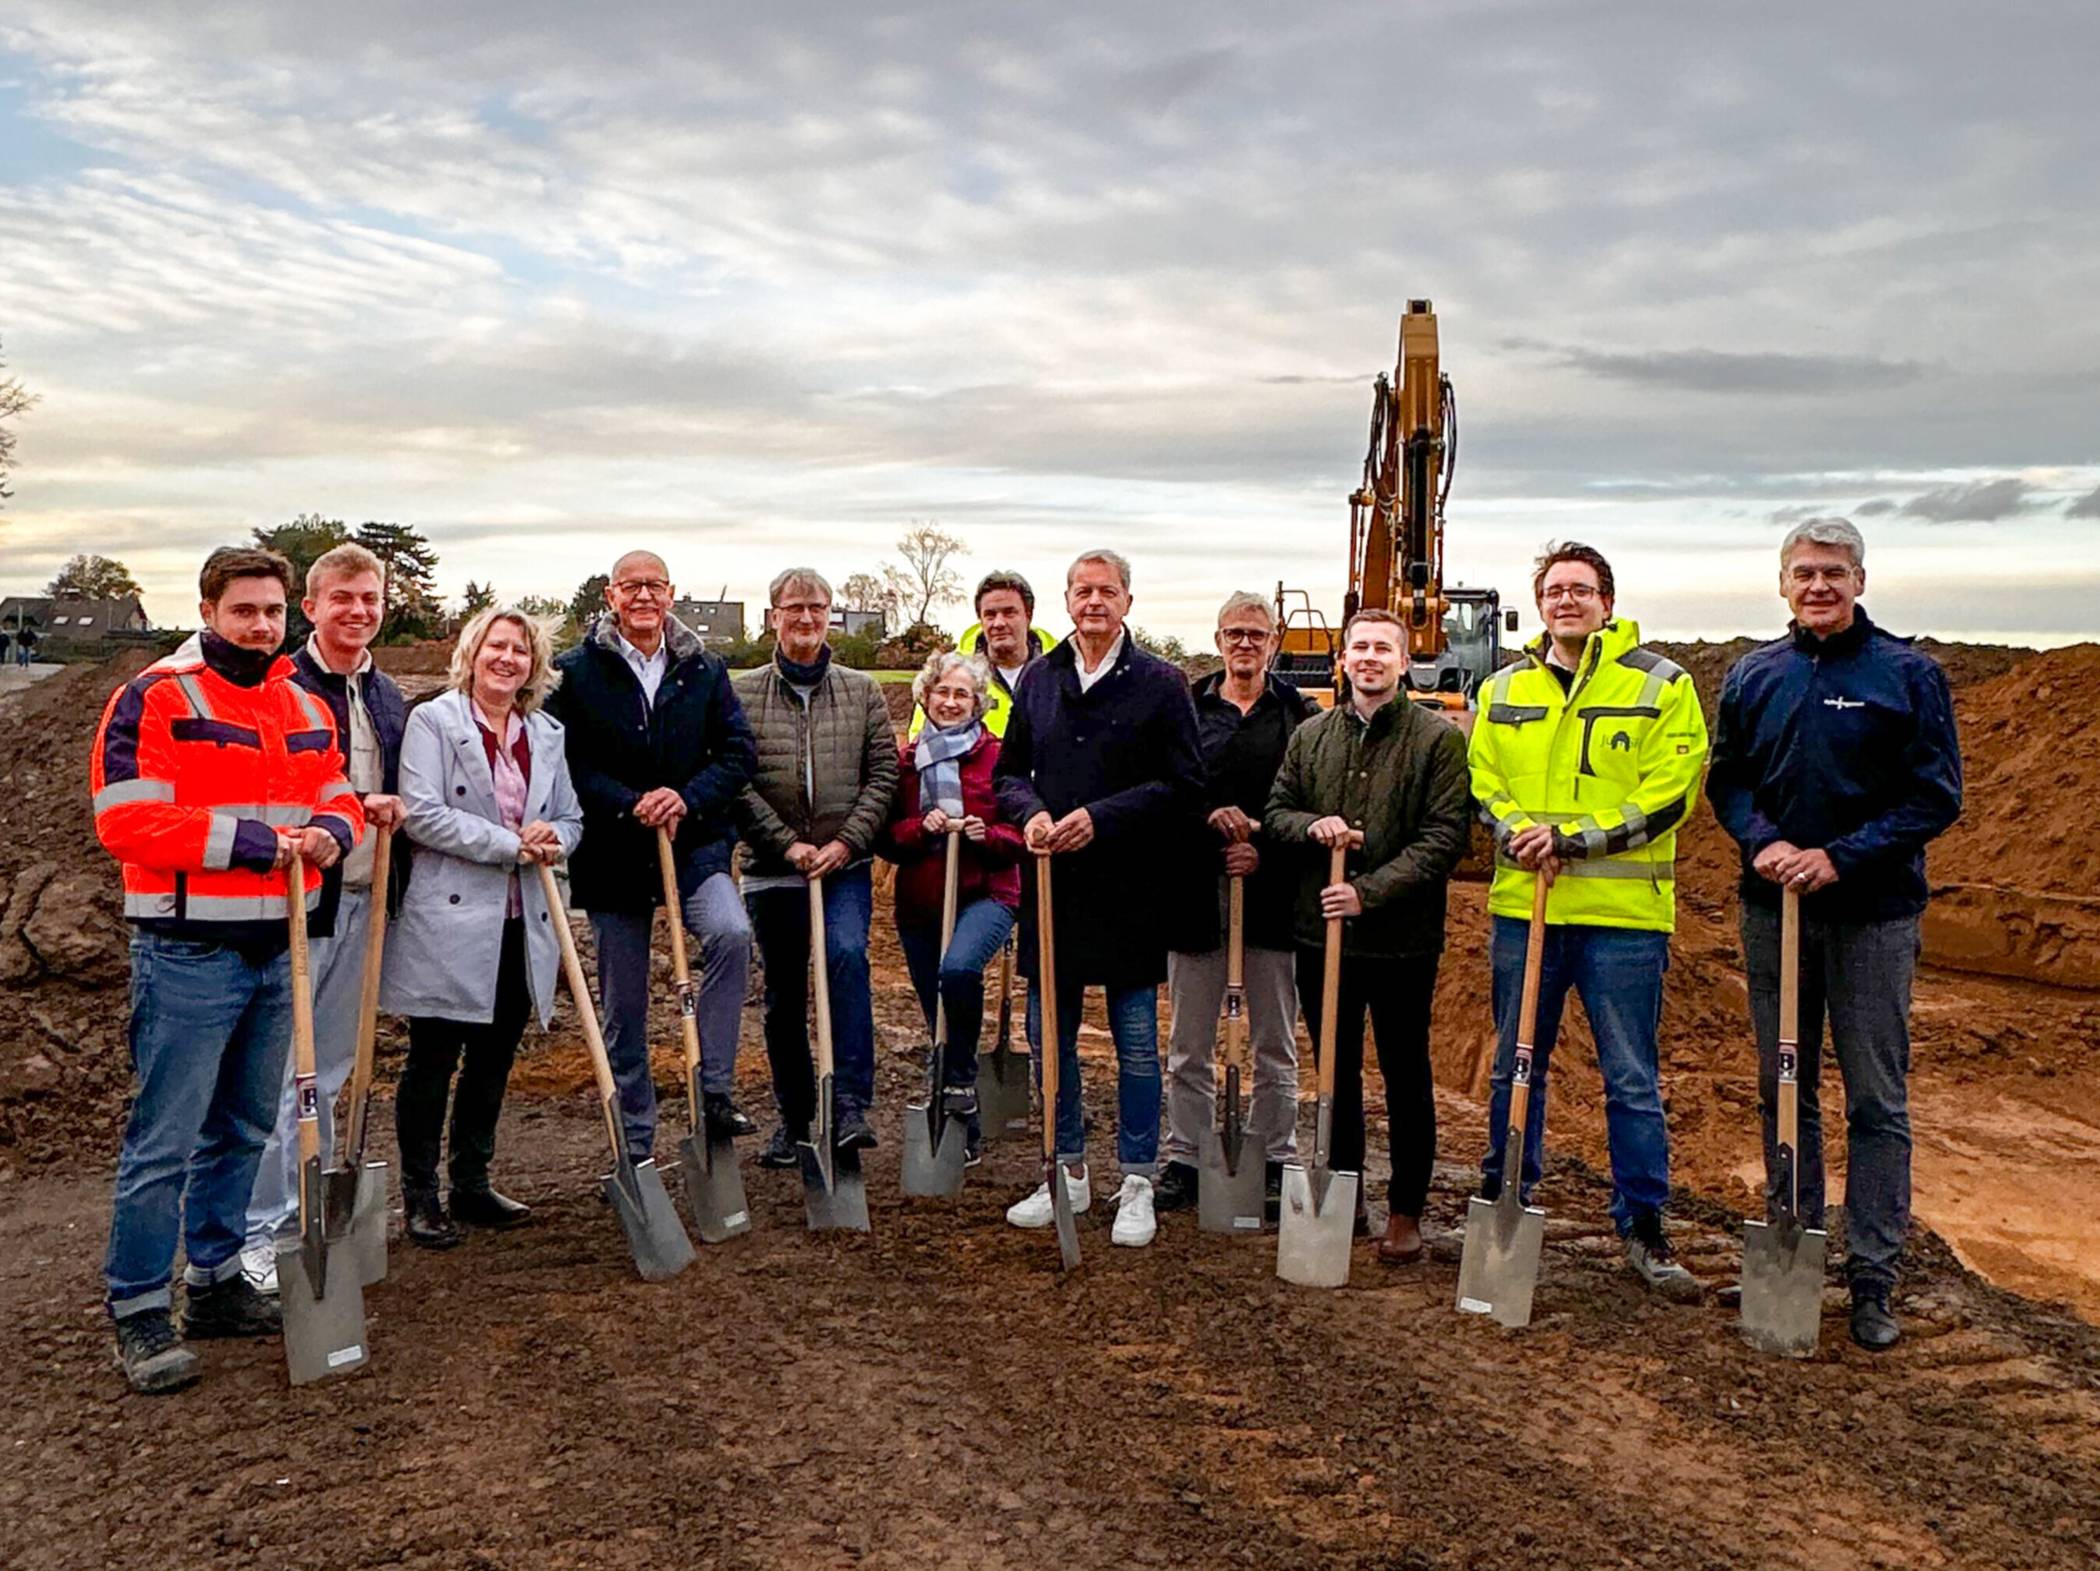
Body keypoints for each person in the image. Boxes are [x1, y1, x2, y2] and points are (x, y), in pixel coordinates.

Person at [89, 546, 365, 1394]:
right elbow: (128, 821)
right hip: (186, 952)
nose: (261, 625)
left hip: (276, 950)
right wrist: (260, 847)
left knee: (244, 1127)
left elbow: (338, 790)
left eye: (274, 611)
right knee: (164, 1139)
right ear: (209, 609)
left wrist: (333, 834)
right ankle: (139, 1306)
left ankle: (212, 1281)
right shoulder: (157, 700)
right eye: (245, 610)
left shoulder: (299, 702)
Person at [1709, 517, 1961, 1351]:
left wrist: (1840, 858)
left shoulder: (1908, 675)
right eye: (1804, 572)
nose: (1818, 585)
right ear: (1782, 582)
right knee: (1783, 1083)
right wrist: (1765, 842)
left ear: (1860, 579)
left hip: (1872, 916)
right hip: (1771, 907)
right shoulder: (1755, 675)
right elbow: (1730, 780)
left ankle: (1873, 1277)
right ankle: (1791, 1243)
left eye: (1834, 572)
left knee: (1875, 1099)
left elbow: (1935, 796)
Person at [1470, 541, 1709, 1298]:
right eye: (1553, 591)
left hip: (1622, 920)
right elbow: (1482, 777)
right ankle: (1505, 1197)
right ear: (1538, 605)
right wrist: (1515, 830)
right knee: (1516, 1065)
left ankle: (1643, 1224)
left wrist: (1573, 839)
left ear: (1607, 600)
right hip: (1525, 910)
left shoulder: (1661, 686)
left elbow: (1670, 792)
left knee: (1631, 1078)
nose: (1566, 601)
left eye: (1580, 589)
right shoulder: (1503, 687)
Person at [993, 548, 1205, 1247]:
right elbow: (1008, 773)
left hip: (1129, 889)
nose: (1094, 602)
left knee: (1137, 1045)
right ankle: (1068, 1169)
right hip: (1052, 889)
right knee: (1050, 1040)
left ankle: (1138, 1177)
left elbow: (1183, 786)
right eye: (1083, 591)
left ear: (1127, 603)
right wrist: (1030, 813)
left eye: (1107, 591)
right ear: (1066, 600)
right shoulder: (1041, 680)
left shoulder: (1161, 683)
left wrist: (1102, 818)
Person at [1264, 608, 1472, 1259]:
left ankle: (1406, 1210)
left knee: (1406, 1072)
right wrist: (1312, 827)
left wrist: (1366, 890)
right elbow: (1276, 812)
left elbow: (1444, 838)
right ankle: (1343, 1197)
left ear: (1404, 662)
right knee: (1336, 1073)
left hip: (1401, 940)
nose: (1370, 657)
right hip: (1319, 937)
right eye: (1360, 647)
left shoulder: (1436, 739)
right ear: (1343, 658)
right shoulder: (1312, 735)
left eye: (1384, 648)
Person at [380, 606, 583, 1248]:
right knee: (434, 1057)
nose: (507, 659)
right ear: (471, 653)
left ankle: (472, 1180)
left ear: (534, 665)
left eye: (520, 652)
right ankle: (420, 1194)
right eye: (496, 647)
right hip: (453, 914)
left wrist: (555, 837)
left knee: (494, 1058)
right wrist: (508, 843)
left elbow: (572, 817)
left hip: (524, 918)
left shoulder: (546, 732)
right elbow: (422, 815)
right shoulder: (434, 722)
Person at [548, 550, 758, 1163]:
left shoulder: (704, 669)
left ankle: (712, 1089)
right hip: (614, 855)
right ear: (611, 595)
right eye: (630, 586)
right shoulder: (576, 671)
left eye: (654, 586)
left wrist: (684, 799)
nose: (643, 596)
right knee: (625, 1004)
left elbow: (737, 752)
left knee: (730, 934)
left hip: (692, 845)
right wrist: (628, 802)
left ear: (671, 595)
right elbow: (569, 759)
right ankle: (635, 1141)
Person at [239, 544, 410, 1293]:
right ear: (311, 607)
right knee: (284, 1077)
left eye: (370, 598)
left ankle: (316, 1212)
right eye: (343, 597)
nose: (359, 611)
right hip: (298, 906)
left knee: (329, 1072)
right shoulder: (284, 688)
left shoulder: (388, 696)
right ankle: (262, 1233)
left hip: (368, 903)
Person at [1157, 592, 1315, 1218]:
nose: (1244, 643)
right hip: (1196, 893)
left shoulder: (1298, 716)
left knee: (1274, 1040)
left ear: (1274, 640)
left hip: (1273, 899)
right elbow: (1166, 790)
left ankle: (1276, 1157)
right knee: (1190, 1041)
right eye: (1234, 633)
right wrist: (1205, 818)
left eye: (1256, 633)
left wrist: (1265, 851)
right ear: (1217, 639)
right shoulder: (1186, 711)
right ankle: (1186, 1159)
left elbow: (1309, 803)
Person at [734, 568, 898, 1163]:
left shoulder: (862, 690)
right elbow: (736, 779)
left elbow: (883, 775)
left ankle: (850, 1104)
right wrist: (786, 845)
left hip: (843, 864)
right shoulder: (742, 692)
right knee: (783, 994)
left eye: (818, 608)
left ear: (831, 615)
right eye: (795, 608)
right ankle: (797, 1118)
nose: (807, 619)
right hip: (773, 867)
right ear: (773, 615)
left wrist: (847, 843)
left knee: (848, 958)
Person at [877, 652, 1027, 1163]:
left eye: (962, 694)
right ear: (925, 697)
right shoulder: (905, 761)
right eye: (942, 691)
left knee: (959, 971)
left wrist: (992, 835)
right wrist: (922, 827)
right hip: (921, 902)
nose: (950, 700)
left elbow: (1023, 830)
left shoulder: (999, 757)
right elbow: (888, 839)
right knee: (937, 1014)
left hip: (987, 891)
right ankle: (965, 1128)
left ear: (979, 704)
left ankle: (960, 1080)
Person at [907, 570, 1056, 739]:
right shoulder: (947, 675)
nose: (999, 623)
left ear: (1028, 616)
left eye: (1009, 613)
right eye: (990, 615)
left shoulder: (1065, 671)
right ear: (980, 618)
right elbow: (921, 745)